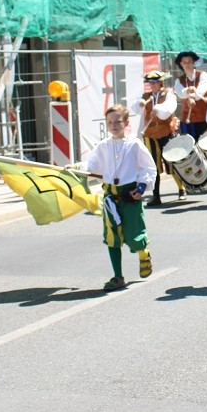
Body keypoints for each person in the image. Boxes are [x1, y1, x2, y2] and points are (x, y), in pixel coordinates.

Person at [74, 105, 156, 291]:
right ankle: (118, 277)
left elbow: (148, 168)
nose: (113, 125)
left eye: (118, 121)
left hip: (130, 196)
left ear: (126, 123)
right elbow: (92, 165)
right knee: (112, 238)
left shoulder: (135, 145)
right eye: (110, 122)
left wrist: (142, 187)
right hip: (111, 198)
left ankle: (143, 254)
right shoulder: (103, 146)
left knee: (134, 235)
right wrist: (77, 167)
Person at [133, 70, 185, 206]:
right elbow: (135, 106)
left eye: (155, 83)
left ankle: (181, 189)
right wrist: (139, 104)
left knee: (171, 161)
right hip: (150, 134)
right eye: (151, 83)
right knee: (152, 165)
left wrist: (158, 109)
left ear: (161, 82)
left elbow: (170, 106)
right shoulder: (146, 96)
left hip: (166, 132)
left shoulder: (168, 93)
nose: (153, 86)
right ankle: (156, 196)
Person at [173, 51, 207, 139]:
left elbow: (202, 90)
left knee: (205, 145)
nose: (187, 64)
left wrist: (192, 96)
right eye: (184, 62)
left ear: (193, 62)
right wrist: (188, 90)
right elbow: (180, 93)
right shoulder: (179, 80)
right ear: (181, 64)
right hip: (187, 120)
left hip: (204, 118)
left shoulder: (202, 75)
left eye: (189, 61)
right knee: (190, 147)